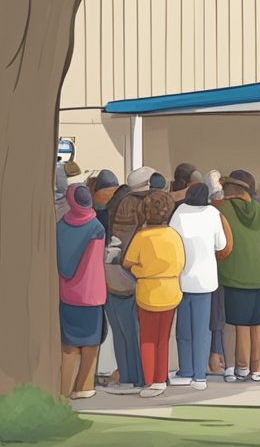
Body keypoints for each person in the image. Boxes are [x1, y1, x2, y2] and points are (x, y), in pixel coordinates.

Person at [215, 171, 260, 383]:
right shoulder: (258, 210)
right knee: (256, 324)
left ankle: (239, 368)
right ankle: (257, 369)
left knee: (236, 324)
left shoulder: (221, 209)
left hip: (234, 275)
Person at [122, 190, 184, 398]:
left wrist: (141, 272)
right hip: (170, 292)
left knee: (147, 339)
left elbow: (127, 263)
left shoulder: (140, 237)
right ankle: (160, 378)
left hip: (147, 292)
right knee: (163, 338)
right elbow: (180, 264)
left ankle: (150, 381)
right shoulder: (174, 236)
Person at [102, 165, 156, 394]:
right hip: (133, 276)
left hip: (111, 274)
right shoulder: (143, 206)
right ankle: (140, 376)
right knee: (136, 331)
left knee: (121, 331)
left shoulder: (116, 202)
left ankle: (126, 375)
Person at [168, 184, 228, 390]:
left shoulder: (179, 213)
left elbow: (171, 242)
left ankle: (186, 370)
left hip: (182, 278)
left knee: (184, 329)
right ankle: (200, 375)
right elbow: (221, 245)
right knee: (203, 330)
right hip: (206, 280)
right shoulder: (213, 213)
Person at [57, 185, 106, 399]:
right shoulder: (96, 227)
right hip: (92, 294)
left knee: (69, 346)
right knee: (91, 344)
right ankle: (84, 387)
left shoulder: (60, 226)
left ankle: (63, 390)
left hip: (67, 293)